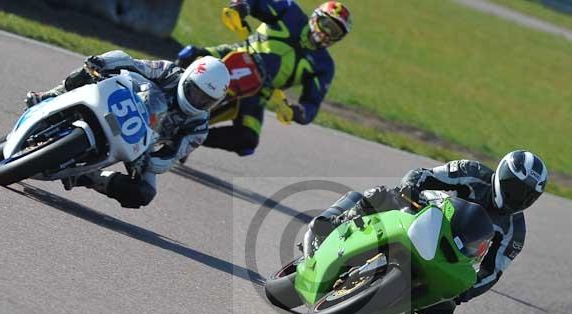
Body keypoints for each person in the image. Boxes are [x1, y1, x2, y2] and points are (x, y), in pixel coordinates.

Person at [305, 151, 548, 314]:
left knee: (443, 311)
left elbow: (491, 272)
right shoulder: (472, 173)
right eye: (515, 189)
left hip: (450, 259)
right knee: (379, 195)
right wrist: (410, 188)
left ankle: (380, 305)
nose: (519, 199)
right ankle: (337, 222)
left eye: (527, 196)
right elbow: (424, 174)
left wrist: (465, 292)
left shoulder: (515, 232)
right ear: (502, 175)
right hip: (422, 217)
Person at [24, 50, 230, 208]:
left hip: (142, 143)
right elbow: (133, 63)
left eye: (206, 100)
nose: (198, 100)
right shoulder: (169, 71)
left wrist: (148, 161)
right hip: (127, 100)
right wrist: (103, 62)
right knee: (90, 72)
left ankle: (89, 177)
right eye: (195, 91)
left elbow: (171, 157)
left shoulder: (199, 128)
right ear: (189, 77)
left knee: (144, 192)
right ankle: (51, 95)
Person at [177, 0, 352, 156]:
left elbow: (312, 105)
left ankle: (192, 140)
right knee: (188, 54)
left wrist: (297, 112)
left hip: (257, 94)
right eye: (326, 24)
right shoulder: (290, 11)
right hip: (233, 57)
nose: (327, 33)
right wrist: (242, 6)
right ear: (316, 17)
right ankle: (156, 92)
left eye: (335, 32)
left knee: (248, 140)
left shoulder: (324, 66)